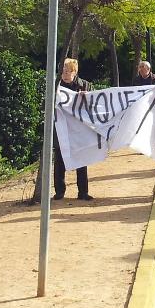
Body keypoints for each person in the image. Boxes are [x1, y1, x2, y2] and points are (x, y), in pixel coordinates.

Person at [54, 58, 92, 201]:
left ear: (74, 72)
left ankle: (83, 192)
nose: (65, 73)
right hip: (61, 130)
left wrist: (86, 98)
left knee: (81, 161)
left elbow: (93, 104)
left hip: (78, 131)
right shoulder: (56, 85)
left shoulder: (85, 86)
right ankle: (59, 192)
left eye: (68, 71)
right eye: (63, 70)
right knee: (59, 162)